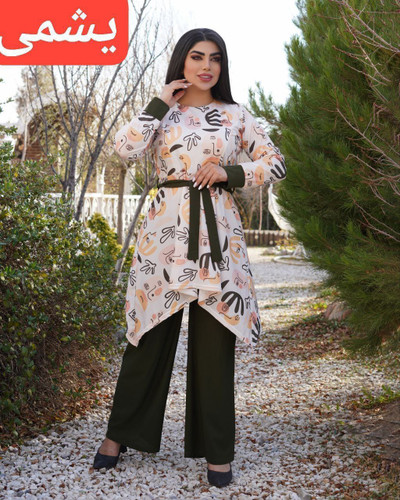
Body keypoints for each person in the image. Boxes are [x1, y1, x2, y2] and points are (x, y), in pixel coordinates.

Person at [92, 27, 287, 488]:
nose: (206, 66)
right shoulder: (163, 112)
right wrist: (160, 101)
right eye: (197, 56)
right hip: (164, 238)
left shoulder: (237, 115)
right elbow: (124, 148)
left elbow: (275, 163)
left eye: (215, 58)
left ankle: (218, 452)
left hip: (219, 240)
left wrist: (230, 171)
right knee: (148, 337)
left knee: (215, 346)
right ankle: (119, 435)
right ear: (182, 61)